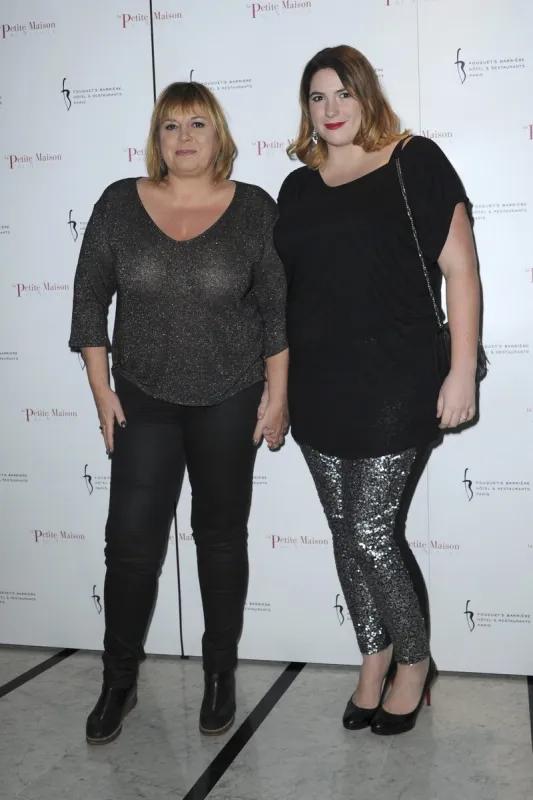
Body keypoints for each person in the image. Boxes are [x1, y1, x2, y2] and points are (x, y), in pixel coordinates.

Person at [69, 81, 288, 744]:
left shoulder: (253, 209)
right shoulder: (118, 204)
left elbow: (278, 310)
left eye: (197, 124)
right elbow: (88, 304)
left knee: (220, 539)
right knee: (130, 546)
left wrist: (277, 396)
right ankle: (118, 684)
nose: (184, 137)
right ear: (155, 138)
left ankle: (219, 676)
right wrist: (103, 392)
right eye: (170, 126)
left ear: (218, 135)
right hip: (142, 398)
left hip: (230, 396)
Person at [274, 45, 480, 736]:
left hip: (396, 378)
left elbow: (459, 270)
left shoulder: (411, 160)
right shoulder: (296, 187)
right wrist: (273, 389)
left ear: (365, 96)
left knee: (370, 533)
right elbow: (285, 296)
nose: (329, 110)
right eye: (315, 97)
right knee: (344, 534)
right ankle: (373, 654)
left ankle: (414, 665)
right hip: (318, 383)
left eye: (341, 94)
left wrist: (457, 371)